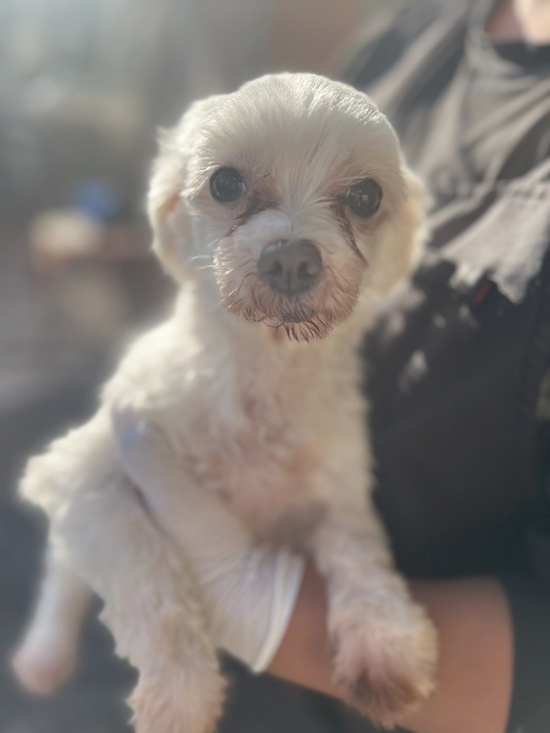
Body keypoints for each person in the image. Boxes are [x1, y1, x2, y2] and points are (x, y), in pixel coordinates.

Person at [114, 1, 550, 732]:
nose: (294, 252)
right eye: (231, 186)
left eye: (360, 198)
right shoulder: (411, 33)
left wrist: (269, 609)